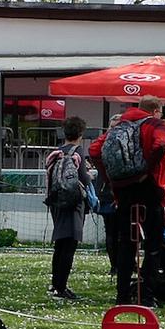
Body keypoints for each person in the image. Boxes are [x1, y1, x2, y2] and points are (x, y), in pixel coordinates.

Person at [89, 96, 165, 305]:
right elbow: (161, 143)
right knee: (153, 245)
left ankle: (122, 296)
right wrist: (146, 169)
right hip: (150, 187)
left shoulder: (120, 125)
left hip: (123, 190)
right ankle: (148, 296)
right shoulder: (155, 124)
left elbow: (95, 150)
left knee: (125, 244)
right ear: (156, 110)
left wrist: (111, 177)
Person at [43, 115, 92, 301]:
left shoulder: (57, 152)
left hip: (56, 202)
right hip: (73, 203)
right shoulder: (77, 152)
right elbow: (83, 178)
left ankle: (55, 284)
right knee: (69, 246)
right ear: (81, 133)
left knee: (60, 244)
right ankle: (62, 287)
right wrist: (89, 177)